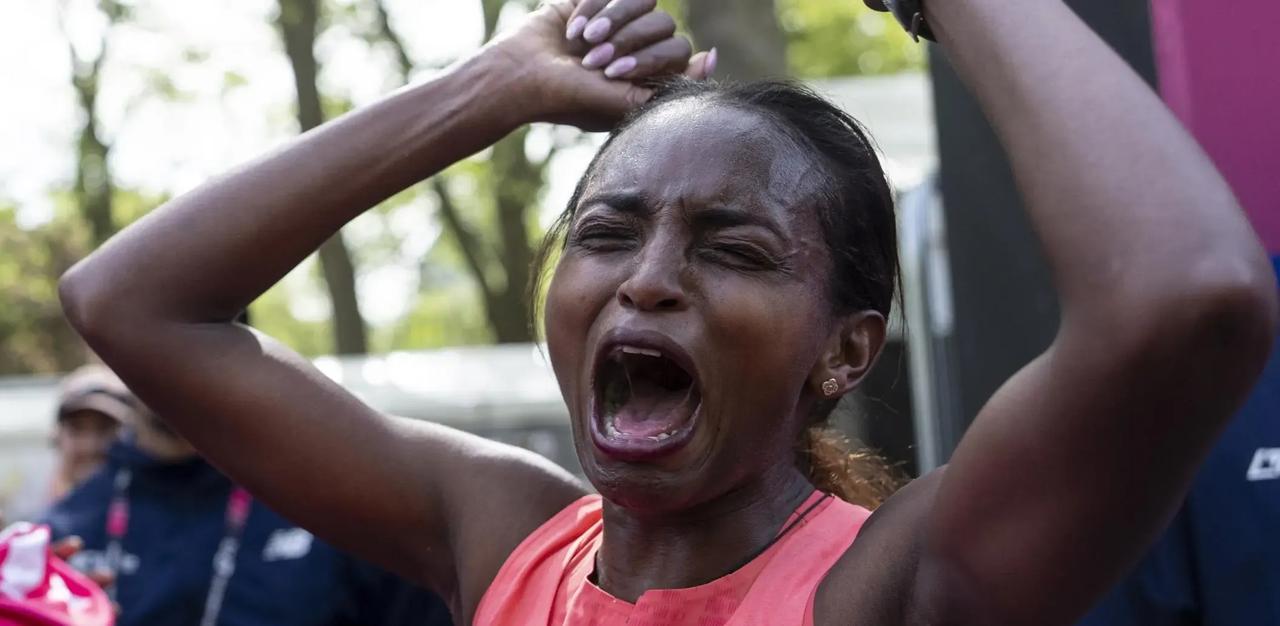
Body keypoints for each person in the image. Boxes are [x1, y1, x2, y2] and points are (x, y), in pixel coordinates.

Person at [55, 0, 1278, 623]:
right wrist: (496, 83)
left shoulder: (893, 582)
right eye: (604, 233)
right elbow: (134, 302)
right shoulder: (502, 537)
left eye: (732, 248)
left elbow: (1186, 294)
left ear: (845, 348)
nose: (643, 278)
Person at [43, 377, 452, 626]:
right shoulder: (63, 529)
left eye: (200, 327)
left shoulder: (331, 503)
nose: (169, 353)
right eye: (148, 331)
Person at [48, 366, 127, 503]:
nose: (90, 446)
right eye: (77, 429)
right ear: (57, 437)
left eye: (104, 428)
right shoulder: (27, 509)